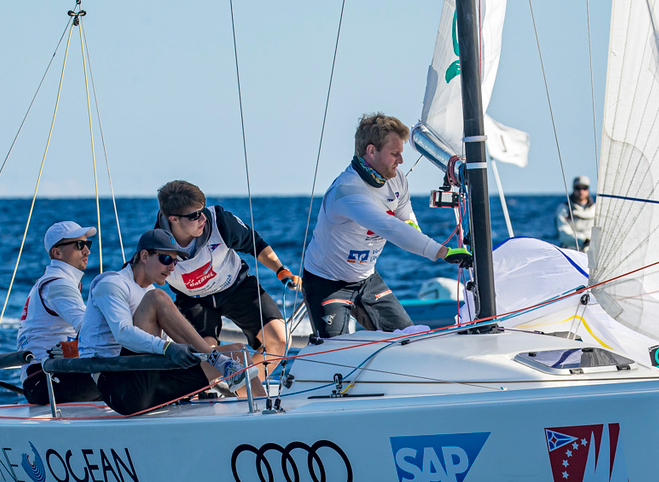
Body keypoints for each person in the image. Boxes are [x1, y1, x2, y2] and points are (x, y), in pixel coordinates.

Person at [302, 112, 472, 338]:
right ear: (371, 151)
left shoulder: (397, 178)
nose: (401, 161)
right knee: (336, 355)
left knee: (409, 339)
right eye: (394, 154)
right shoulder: (347, 192)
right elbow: (391, 228)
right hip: (326, 282)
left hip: (367, 279)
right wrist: (442, 252)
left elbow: (405, 217)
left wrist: (413, 227)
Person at [78, 229, 252, 416]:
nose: (172, 268)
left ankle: (259, 412)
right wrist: (168, 348)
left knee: (239, 353)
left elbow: (170, 340)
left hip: (151, 377)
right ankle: (216, 360)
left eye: (176, 262)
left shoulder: (148, 292)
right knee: (157, 298)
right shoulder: (112, 284)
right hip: (119, 387)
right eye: (166, 260)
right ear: (144, 256)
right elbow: (123, 334)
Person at [154, 180, 299, 373]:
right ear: (173, 219)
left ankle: (245, 391)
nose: (203, 219)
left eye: (203, 211)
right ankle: (217, 387)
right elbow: (143, 277)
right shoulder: (157, 243)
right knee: (206, 356)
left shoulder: (220, 222)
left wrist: (281, 270)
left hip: (236, 288)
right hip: (194, 301)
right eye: (195, 215)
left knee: (280, 341)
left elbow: (254, 243)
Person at [16, 221, 102, 406]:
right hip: (46, 379)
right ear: (57, 253)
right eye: (80, 245)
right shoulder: (58, 285)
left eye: (88, 244)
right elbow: (92, 331)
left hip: (42, 379)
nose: (87, 251)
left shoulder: (51, 282)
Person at [556, 175, 596, 250]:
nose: (581, 191)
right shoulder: (564, 209)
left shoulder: (596, 209)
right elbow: (563, 234)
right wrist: (584, 240)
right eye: (578, 188)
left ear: (588, 189)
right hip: (571, 251)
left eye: (584, 188)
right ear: (573, 189)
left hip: (592, 252)